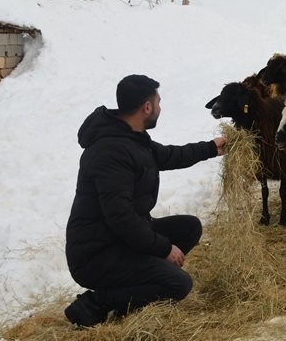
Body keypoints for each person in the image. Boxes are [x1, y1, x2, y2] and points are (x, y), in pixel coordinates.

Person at [63, 74, 227, 327]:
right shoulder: (111, 152)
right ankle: (95, 304)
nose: (160, 108)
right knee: (178, 284)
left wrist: (211, 148)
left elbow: (169, 155)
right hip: (96, 254)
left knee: (189, 227)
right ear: (147, 107)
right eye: (158, 102)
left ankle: (136, 289)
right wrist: (163, 249)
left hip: (117, 239)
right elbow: (121, 218)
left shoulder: (131, 137)